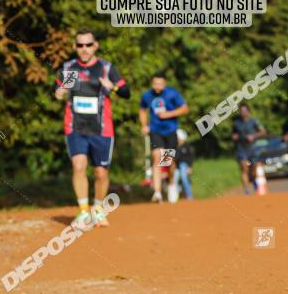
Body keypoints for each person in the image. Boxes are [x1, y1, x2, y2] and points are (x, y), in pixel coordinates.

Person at [54, 29, 130, 227]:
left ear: (95, 45)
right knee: (78, 166)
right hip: (75, 126)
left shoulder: (106, 68)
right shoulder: (70, 68)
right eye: (80, 45)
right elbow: (58, 93)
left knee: (101, 173)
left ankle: (98, 209)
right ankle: (83, 212)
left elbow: (126, 92)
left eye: (88, 45)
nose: (84, 49)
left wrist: (111, 86)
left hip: (102, 128)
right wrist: (60, 92)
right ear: (75, 47)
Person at [139, 72, 189, 203]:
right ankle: (157, 192)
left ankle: (171, 183)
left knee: (169, 161)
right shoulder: (147, 96)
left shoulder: (172, 94)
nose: (157, 86)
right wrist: (144, 125)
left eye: (160, 83)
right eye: (155, 83)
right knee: (157, 158)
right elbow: (142, 109)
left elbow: (185, 109)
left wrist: (169, 114)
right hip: (155, 131)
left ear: (165, 83)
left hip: (170, 131)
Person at [232, 104, 266, 195]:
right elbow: (234, 134)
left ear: (248, 111)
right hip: (241, 149)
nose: (243, 113)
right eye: (241, 111)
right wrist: (234, 137)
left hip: (253, 149)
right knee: (244, 169)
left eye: (244, 111)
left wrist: (253, 136)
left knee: (253, 171)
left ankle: (253, 180)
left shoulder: (254, 121)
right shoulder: (236, 123)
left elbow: (263, 132)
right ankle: (246, 190)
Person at [174, 128, 194, 200]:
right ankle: (175, 197)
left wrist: (190, 167)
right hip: (175, 166)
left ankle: (189, 196)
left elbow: (191, 157)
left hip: (184, 165)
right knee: (174, 179)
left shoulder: (187, 147)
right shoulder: (174, 146)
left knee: (184, 178)